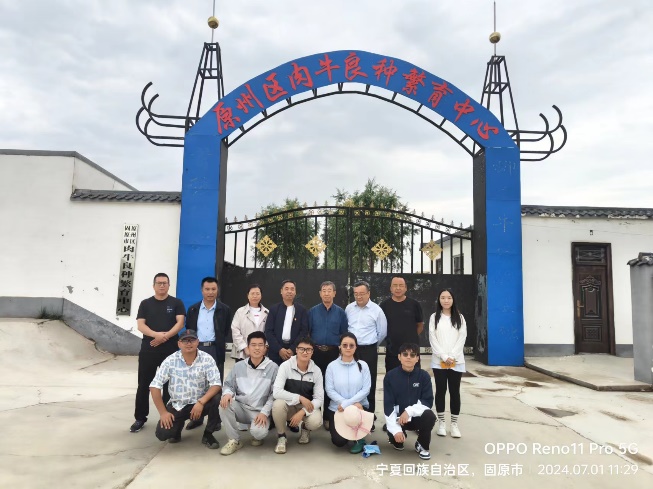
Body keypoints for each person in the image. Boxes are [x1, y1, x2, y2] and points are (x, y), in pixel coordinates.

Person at [130, 272, 186, 433]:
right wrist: (156, 335)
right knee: (144, 384)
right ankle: (140, 418)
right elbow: (141, 325)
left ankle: (169, 415)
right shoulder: (145, 304)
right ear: (153, 285)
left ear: (169, 285)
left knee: (170, 384)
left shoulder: (176, 303)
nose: (162, 285)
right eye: (159, 283)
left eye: (164, 283)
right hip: (149, 347)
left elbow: (180, 323)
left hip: (170, 348)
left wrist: (165, 337)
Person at [149, 329, 221, 449]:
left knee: (217, 396)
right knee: (163, 434)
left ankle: (208, 434)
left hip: (200, 404)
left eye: (192, 340)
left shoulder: (207, 359)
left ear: (197, 342)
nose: (189, 343)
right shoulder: (170, 360)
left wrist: (201, 402)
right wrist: (163, 413)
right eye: (185, 340)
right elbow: (154, 386)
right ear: (179, 344)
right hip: (178, 405)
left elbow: (216, 384)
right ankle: (177, 428)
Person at [219, 331, 278, 456]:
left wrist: (264, 412)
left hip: (259, 411)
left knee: (258, 433)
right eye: (253, 345)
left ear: (265, 348)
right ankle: (234, 440)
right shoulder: (239, 366)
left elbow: (274, 394)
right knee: (224, 404)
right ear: (248, 347)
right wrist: (228, 393)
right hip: (241, 408)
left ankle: (256, 431)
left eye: (260, 345)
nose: (257, 348)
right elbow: (229, 385)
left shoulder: (273, 367)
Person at [184, 276, 232, 431]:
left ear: (217, 290)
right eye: (207, 289)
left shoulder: (224, 309)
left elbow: (225, 330)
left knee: (215, 386)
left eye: (213, 289)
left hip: (215, 349)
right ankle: (196, 418)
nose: (210, 292)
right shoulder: (193, 309)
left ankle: (215, 420)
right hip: (197, 350)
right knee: (196, 385)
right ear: (202, 290)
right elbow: (189, 330)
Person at [345, 280, 387, 429]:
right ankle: (352, 415)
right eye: (356, 293)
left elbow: (382, 332)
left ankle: (368, 418)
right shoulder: (349, 308)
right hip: (351, 351)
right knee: (351, 382)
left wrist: (371, 344)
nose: (359, 296)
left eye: (362, 293)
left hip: (369, 350)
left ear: (369, 293)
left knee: (369, 384)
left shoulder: (377, 310)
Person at [383, 343, 436, 460]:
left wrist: (409, 411)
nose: (408, 357)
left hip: (415, 417)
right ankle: (396, 436)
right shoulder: (390, 376)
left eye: (412, 355)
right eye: (405, 354)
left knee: (429, 416)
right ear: (399, 357)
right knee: (398, 443)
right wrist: (396, 430)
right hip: (398, 419)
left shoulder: (424, 376)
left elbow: (427, 402)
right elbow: (388, 405)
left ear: (417, 358)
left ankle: (422, 445)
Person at [271, 337, 324, 454]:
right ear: (296, 350)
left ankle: (305, 429)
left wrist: (302, 412)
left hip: (306, 407)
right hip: (289, 405)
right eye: (302, 349)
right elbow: (277, 392)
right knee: (277, 404)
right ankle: (281, 436)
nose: (305, 352)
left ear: (312, 352)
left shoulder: (316, 371)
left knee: (316, 421)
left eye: (308, 350)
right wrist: (299, 398)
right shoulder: (285, 366)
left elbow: (319, 399)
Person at [308, 281, 348, 430]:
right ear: (320, 293)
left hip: (333, 353)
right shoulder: (312, 312)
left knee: (330, 385)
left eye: (329, 290)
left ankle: (327, 417)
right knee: (315, 384)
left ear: (334, 293)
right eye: (323, 290)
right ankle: (315, 415)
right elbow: (308, 332)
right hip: (316, 352)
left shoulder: (341, 313)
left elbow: (344, 334)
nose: (326, 293)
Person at [428, 288, 467, 439]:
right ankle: (442, 424)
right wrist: (444, 356)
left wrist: (452, 356)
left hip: (456, 361)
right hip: (439, 361)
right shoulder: (434, 317)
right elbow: (432, 338)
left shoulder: (460, 318)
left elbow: (462, 337)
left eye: (449, 297)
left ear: (453, 299)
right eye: (443, 297)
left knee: (454, 391)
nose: (446, 300)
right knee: (441, 391)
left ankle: (454, 425)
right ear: (439, 300)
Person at [325, 332, 372, 454]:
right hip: (337, 408)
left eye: (351, 345)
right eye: (345, 345)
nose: (348, 348)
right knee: (339, 442)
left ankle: (359, 438)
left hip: (359, 407)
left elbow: (366, 389)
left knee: (354, 419)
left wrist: (348, 405)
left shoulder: (363, 365)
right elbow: (329, 390)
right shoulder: (331, 366)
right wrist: (345, 404)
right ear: (339, 347)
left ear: (356, 347)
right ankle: (351, 434)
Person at [380, 276, 424, 372]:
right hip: (392, 351)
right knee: (393, 377)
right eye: (395, 285)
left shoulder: (414, 304)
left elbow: (420, 325)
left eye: (401, 285)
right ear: (391, 288)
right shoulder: (384, 306)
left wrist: (410, 336)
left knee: (413, 377)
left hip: (411, 351)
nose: (398, 288)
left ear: (406, 288)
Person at [265, 280, 309, 365]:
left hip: (295, 352)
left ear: (295, 292)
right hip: (276, 352)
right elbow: (269, 331)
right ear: (281, 291)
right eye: (286, 289)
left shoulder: (301, 310)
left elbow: (303, 332)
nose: (289, 291)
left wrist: (292, 349)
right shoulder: (274, 309)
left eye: (292, 289)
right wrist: (279, 349)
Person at [230, 284, 269, 362]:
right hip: (243, 353)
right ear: (248, 295)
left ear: (261, 296)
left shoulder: (267, 313)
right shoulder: (240, 312)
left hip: (261, 353)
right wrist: (245, 348)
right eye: (252, 293)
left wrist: (265, 348)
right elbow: (235, 330)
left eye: (257, 293)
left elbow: (269, 332)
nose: (255, 296)